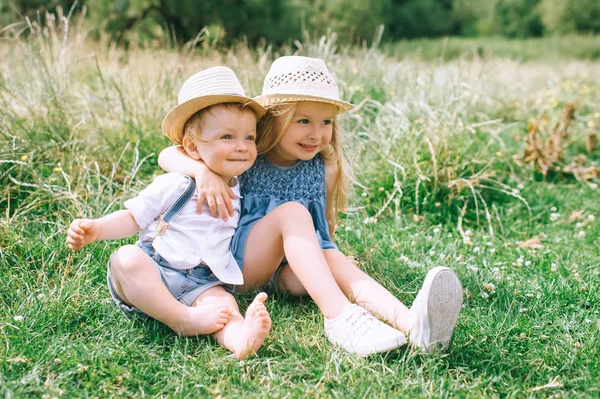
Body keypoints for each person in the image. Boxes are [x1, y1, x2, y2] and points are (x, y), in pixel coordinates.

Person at [158, 56, 464, 355]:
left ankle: (412, 324)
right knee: (293, 213)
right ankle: (339, 318)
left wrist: (335, 264)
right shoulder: (246, 154)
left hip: (285, 274)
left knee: (331, 256)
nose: (316, 134)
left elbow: (322, 232)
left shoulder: (322, 168)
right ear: (275, 119)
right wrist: (202, 172)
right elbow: (167, 156)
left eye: (326, 122)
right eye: (303, 120)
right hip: (239, 266)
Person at [66, 67, 273, 359]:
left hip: (204, 280)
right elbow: (135, 216)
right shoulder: (178, 182)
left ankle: (241, 339)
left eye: (249, 138)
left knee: (224, 307)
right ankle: (179, 318)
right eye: (227, 137)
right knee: (124, 259)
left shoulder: (242, 186)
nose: (242, 147)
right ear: (192, 147)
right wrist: (97, 229)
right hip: (157, 268)